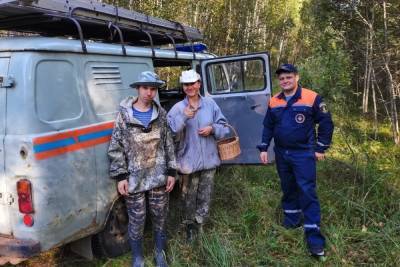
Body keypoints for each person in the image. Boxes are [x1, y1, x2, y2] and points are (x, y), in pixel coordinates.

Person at [258, 64, 334, 258]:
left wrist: (321, 147)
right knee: (288, 188)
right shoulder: (274, 101)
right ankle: (292, 223)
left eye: (288, 77)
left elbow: (326, 122)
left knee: (307, 191)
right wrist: (264, 147)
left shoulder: (312, 97)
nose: (285, 81)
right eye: (282, 78)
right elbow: (268, 125)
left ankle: (314, 238)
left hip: (304, 154)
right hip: (282, 153)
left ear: (297, 77)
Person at [108, 71, 176, 267]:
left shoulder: (160, 114)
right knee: (137, 220)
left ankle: (159, 254)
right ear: (138, 89)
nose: (149, 92)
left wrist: (171, 171)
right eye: (145, 88)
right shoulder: (124, 115)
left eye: (153, 89)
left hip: (158, 177)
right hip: (134, 179)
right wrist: (121, 176)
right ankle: (137, 257)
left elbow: (168, 143)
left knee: (160, 217)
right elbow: (115, 147)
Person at [167, 69, 228, 242]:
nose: (190, 87)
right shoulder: (178, 108)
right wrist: (183, 118)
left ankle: (200, 223)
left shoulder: (210, 104)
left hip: (209, 160)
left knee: (205, 195)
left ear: (199, 84)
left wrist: (213, 129)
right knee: (188, 197)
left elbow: (224, 127)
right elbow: (170, 134)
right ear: (183, 87)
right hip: (188, 162)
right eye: (186, 84)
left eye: (193, 83)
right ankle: (188, 226)